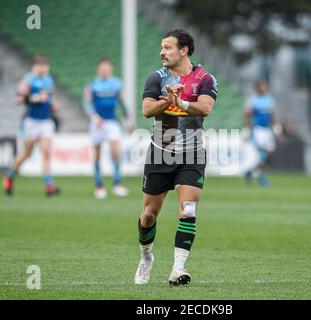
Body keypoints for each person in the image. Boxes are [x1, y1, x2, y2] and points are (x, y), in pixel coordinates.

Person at [134, 29, 218, 286]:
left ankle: (178, 269)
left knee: (188, 210)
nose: (162, 52)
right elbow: (147, 110)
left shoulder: (204, 78)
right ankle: (146, 256)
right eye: (162, 47)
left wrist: (180, 103)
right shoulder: (156, 78)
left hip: (192, 153)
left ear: (184, 50)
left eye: (168, 47)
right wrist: (167, 101)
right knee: (148, 214)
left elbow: (205, 108)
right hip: (161, 150)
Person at [2, 55, 61, 197]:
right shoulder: (27, 81)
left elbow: (48, 98)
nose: (42, 68)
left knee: (46, 151)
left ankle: (49, 186)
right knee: (27, 153)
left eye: (44, 65)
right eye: (39, 65)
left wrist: (52, 106)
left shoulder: (49, 80)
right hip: (31, 121)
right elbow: (18, 100)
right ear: (34, 67)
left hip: (46, 121)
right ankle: (9, 176)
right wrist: (36, 98)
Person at [83, 57, 131, 198]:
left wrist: (127, 117)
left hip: (112, 122)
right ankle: (99, 186)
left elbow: (122, 102)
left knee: (115, 152)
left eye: (107, 67)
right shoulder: (92, 84)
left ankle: (117, 184)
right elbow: (87, 103)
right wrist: (94, 117)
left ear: (111, 69)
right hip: (97, 123)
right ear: (99, 69)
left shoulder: (117, 84)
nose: (105, 70)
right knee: (97, 154)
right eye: (103, 67)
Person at [243, 81, 276, 187]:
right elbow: (247, 115)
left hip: (267, 130)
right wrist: (247, 129)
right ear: (257, 88)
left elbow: (272, 115)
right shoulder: (253, 100)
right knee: (262, 155)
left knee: (270, 154)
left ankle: (250, 172)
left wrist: (275, 127)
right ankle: (262, 179)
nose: (263, 89)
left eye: (264, 87)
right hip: (258, 130)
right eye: (261, 87)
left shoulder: (269, 99)